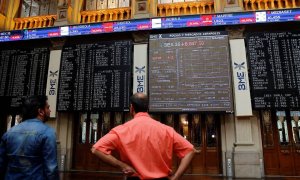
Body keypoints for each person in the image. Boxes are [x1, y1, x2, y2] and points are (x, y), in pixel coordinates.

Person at [91, 93, 196, 180]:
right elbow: (190, 150)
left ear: (131, 108)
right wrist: (176, 178)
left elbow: (96, 149)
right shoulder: (167, 130)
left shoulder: (121, 130)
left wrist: (122, 166)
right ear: (148, 108)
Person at [0, 95, 59, 180]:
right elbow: (51, 168)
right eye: (47, 108)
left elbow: (1, 164)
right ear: (40, 111)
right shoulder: (48, 133)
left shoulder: (9, 133)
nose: (49, 110)